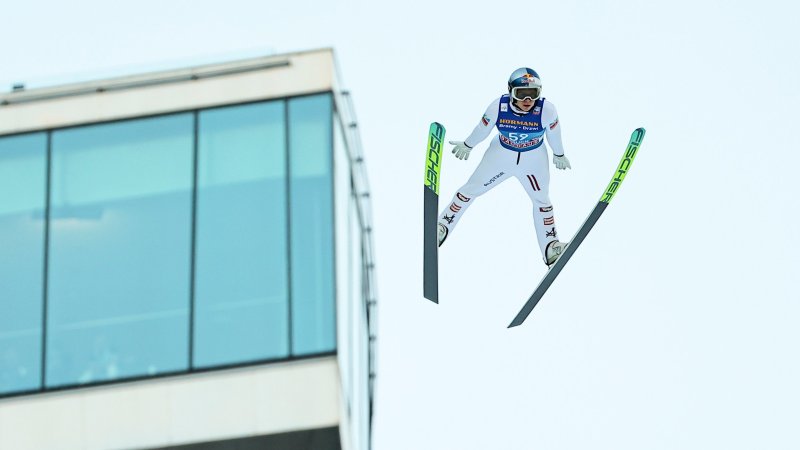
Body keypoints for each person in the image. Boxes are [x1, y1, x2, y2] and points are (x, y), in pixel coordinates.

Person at [437, 67, 571, 267]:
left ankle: (550, 247)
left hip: (533, 160)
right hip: (501, 155)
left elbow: (554, 134)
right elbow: (482, 129)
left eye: (533, 94)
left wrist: (558, 153)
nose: (528, 100)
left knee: (542, 201)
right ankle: (442, 226)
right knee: (469, 190)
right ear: (511, 91)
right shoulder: (497, 107)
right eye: (522, 94)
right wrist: (468, 144)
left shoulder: (547, 110)